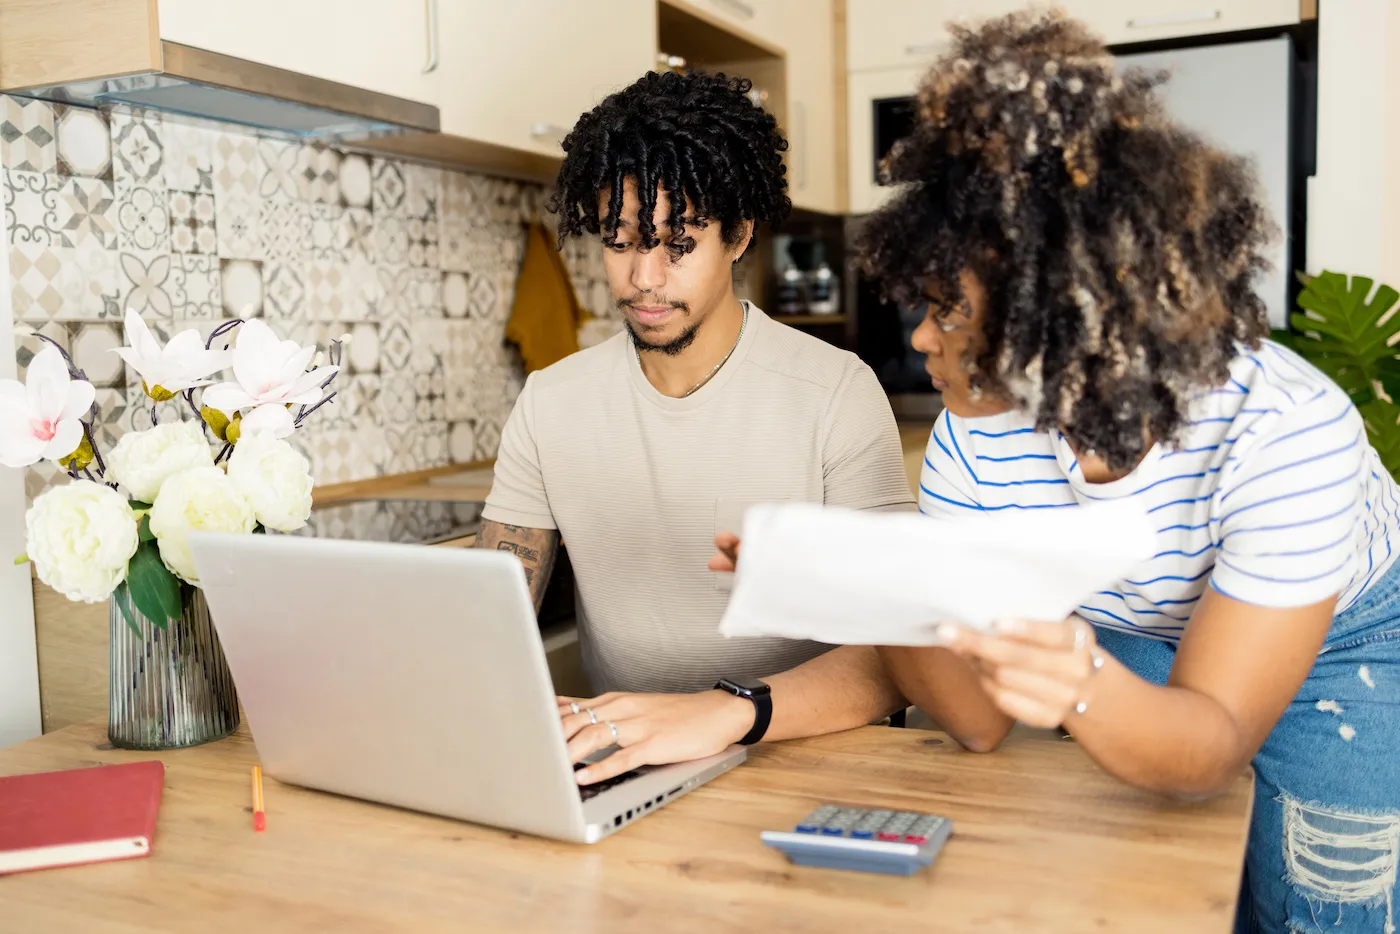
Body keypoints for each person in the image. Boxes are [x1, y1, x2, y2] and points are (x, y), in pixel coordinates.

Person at [849, 12, 1400, 934]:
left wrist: (1077, 686)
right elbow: (977, 724)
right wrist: (883, 587)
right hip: (1136, 616)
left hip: (1345, 641)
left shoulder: (1286, 431)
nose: (919, 337)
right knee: (1144, 882)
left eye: (948, 308)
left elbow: (1209, 743)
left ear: (1058, 309)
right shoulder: (972, 438)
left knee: (1315, 903)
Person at [478, 71, 912, 787]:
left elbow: (899, 659)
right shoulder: (550, 403)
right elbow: (486, 627)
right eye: (619, 243)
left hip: (807, 758)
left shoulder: (836, 392)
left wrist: (728, 711)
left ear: (739, 235)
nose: (644, 278)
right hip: (627, 766)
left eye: (677, 244)